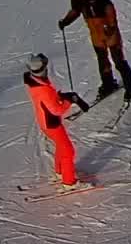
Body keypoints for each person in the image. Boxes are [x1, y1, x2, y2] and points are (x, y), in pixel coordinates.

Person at [58, 0, 131, 101]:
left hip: (108, 30)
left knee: (118, 60)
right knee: (102, 61)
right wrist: (66, 21)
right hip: (95, 32)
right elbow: (76, 10)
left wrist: (111, 26)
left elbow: (109, 8)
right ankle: (108, 84)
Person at [23, 53, 83, 187]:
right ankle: (69, 182)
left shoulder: (34, 81)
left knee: (62, 146)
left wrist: (59, 97)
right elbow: (56, 110)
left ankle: (60, 171)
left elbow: (47, 102)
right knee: (68, 151)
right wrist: (67, 102)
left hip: (45, 121)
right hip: (51, 123)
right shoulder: (43, 89)